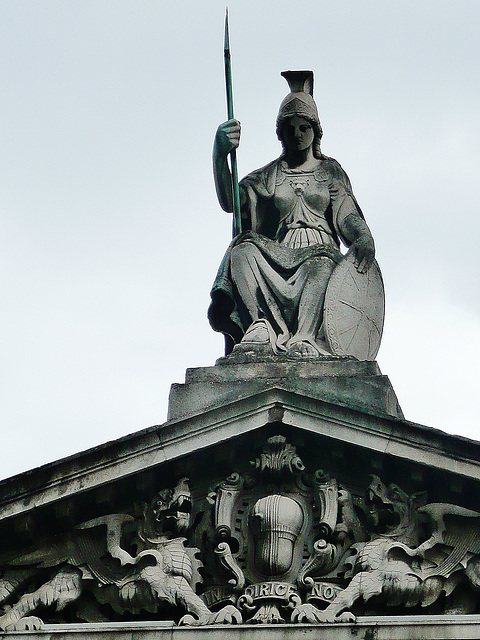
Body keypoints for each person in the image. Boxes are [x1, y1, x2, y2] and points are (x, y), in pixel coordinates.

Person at [208, 71, 375, 358]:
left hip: (319, 254)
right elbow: (231, 201)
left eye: (304, 127)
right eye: (290, 127)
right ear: (281, 132)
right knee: (242, 249)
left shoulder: (328, 172)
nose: (297, 134)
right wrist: (220, 154)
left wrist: (362, 237)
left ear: (315, 131)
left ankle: (305, 337)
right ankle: (260, 326)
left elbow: (347, 214)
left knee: (321, 264)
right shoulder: (269, 175)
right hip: (280, 252)